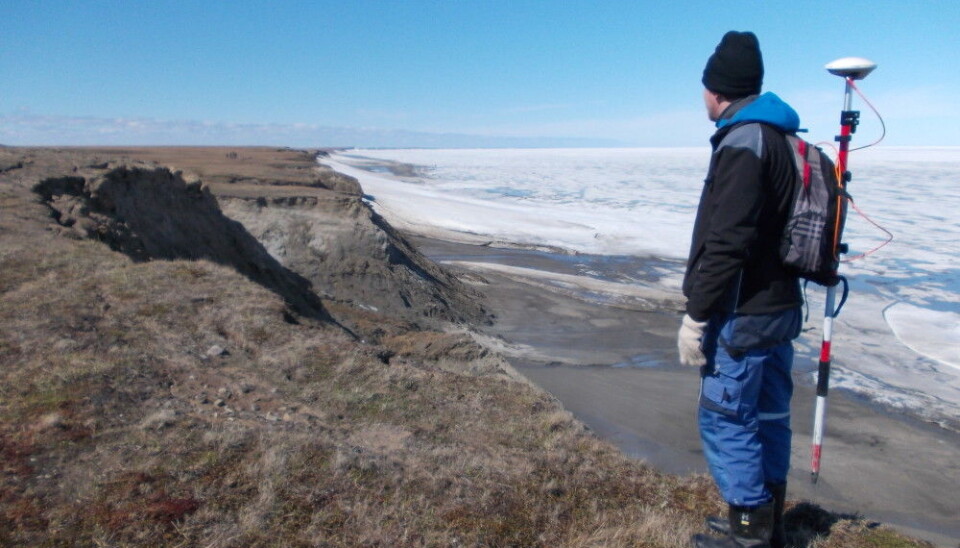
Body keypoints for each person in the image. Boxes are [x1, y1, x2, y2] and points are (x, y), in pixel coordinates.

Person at [678, 30, 804, 548]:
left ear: (717, 90)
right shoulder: (783, 139)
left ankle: (749, 534)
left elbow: (726, 242)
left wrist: (697, 315)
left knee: (727, 417)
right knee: (770, 414)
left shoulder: (743, 142)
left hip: (743, 312)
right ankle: (768, 523)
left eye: (704, 88)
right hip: (781, 306)